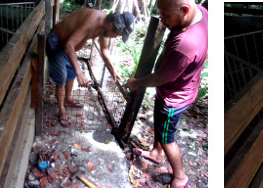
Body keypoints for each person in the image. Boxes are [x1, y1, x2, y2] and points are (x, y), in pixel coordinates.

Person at [125, 0, 207, 187]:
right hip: (177, 90)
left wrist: (136, 83)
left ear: (185, 10)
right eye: (160, 14)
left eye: (166, 16)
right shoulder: (201, 13)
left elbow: (162, 77)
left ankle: (179, 177)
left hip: (174, 98)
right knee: (161, 126)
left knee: (167, 138)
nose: (162, 20)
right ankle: (155, 153)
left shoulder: (186, 44)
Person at [48, 9, 135, 126]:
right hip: (57, 42)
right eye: (117, 34)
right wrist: (80, 73)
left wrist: (113, 70)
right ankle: (62, 111)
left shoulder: (105, 29)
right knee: (61, 78)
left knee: (71, 72)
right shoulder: (93, 20)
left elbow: (104, 50)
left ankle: (68, 100)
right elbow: (69, 46)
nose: (115, 37)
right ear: (113, 24)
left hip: (68, 48)